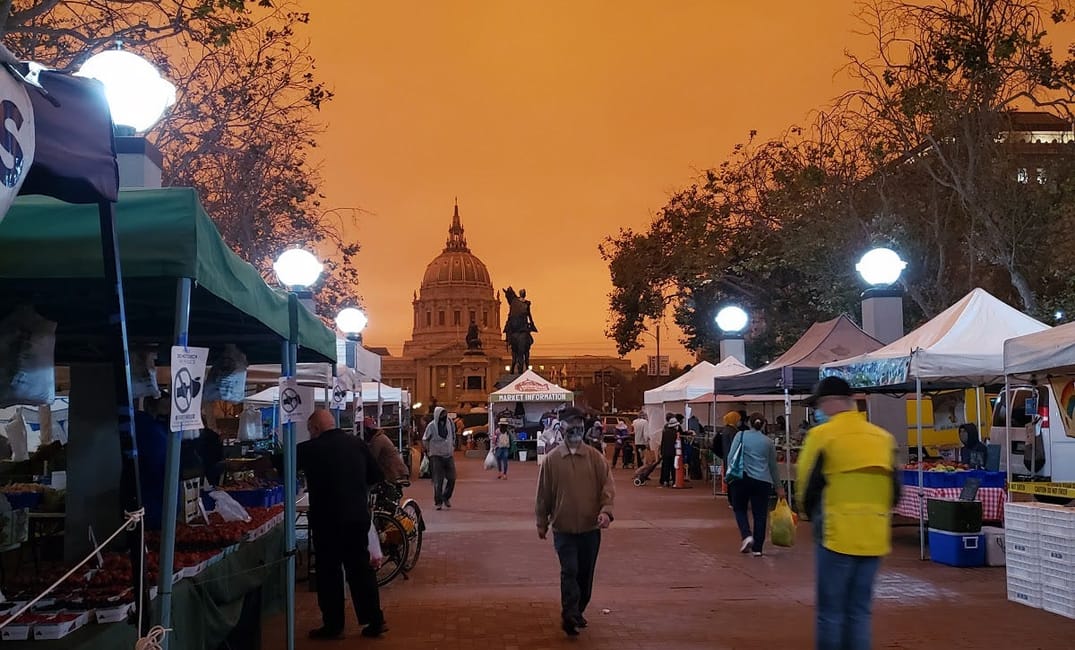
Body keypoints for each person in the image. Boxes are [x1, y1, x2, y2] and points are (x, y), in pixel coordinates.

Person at [796, 377, 899, 650]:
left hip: (835, 535)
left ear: (830, 402)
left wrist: (810, 517)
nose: (819, 410)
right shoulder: (883, 438)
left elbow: (805, 486)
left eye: (819, 404)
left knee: (831, 612)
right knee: (860, 611)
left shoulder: (821, 436)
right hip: (874, 537)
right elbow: (895, 492)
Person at [298, 409, 386, 640]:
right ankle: (375, 620)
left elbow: (282, 466)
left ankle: (333, 625)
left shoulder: (309, 449)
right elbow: (375, 475)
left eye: (310, 430)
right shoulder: (357, 443)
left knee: (329, 572)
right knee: (360, 569)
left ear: (315, 429)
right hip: (356, 517)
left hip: (326, 521)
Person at [535, 407, 615, 637]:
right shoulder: (552, 461)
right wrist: (542, 522)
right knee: (569, 570)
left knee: (585, 575)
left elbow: (607, 488)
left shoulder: (595, 458)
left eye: (580, 427)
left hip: (590, 529)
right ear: (562, 429)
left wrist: (606, 512)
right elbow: (543, 495)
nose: (576, 431)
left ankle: (578, 610)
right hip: (564, 529)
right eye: (571, 427)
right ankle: (569, 613)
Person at [727, 413, 784, 556]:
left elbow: (731, 457)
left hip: (742, 478)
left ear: (749, 423)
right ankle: (758, 548)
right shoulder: (768, 442)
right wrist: (779, 486)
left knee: (739, 508)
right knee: (760, 514)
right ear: (763, 425)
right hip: (763, 481)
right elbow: (773, 466)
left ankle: (746, 535)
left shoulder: (740, 435)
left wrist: (729, 475)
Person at [423, 406, 457, 510]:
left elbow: (453, 434)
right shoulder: (431, 426)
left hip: (448, 455)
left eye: (445, 414)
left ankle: (446, 497)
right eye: (441, 414)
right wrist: (429, 450)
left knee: (452, 478)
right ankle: (438, 501)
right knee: (438, 480)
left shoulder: (449, 423)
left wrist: (453, 445)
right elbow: (425, 439)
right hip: (436, 456)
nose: (444, 416)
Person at [362, 417, 409, 484]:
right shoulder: (380, 437)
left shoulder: (378, 440)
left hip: (393, 472)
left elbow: (372, 458)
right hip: (397, 470)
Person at [659, 417, 680, 487]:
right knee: (673, 467)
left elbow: (662, 442)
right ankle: (674, 481)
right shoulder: (676, 433)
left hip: (665, 452)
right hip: (673, 452)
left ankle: (665, 480)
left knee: (666, 467)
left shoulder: (665, 432)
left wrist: (661, 452)